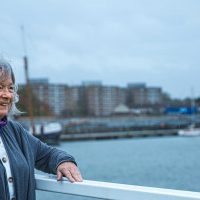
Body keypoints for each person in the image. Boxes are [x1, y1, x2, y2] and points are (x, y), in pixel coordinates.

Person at [0, 60, 83, 200]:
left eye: (10, 88)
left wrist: (64, 161)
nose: (7, 94)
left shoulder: (15, 131)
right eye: (0, 87)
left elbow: (47, 155)